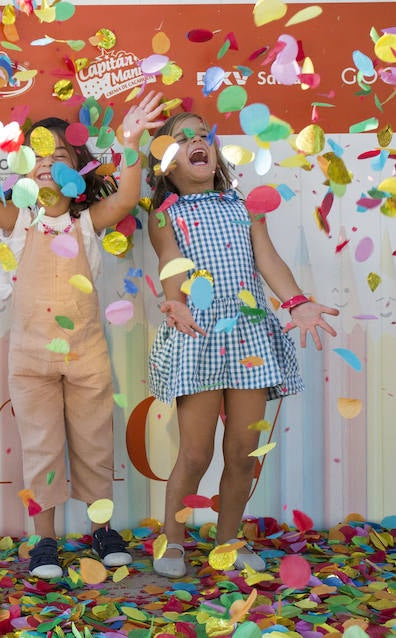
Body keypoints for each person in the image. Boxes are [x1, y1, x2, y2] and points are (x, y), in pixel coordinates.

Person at [0, 91, 166, 578]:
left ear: (81, 176)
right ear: (23, 171)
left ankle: (102, 529)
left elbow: (129, 196)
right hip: (30, 363)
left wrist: (132, 141)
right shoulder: (17, 223)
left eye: (61, 157)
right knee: (41, 447)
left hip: (87, 356)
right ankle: (44, 539)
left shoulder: (87, 224)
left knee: (95, 443)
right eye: (38, 155)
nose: (48, 164)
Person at [144, 112, 338, 578]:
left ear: (214, 152)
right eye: (182, 138)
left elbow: (266, 258)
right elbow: (170, 259)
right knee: (195, 454)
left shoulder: (243, 204)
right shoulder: (164, 212)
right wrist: (175, 302)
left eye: (202, 136)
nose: (196, 142)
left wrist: (296, 302)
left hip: (249, 332)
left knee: (242, 452)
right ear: (167, 163)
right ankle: (172, 541)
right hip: (199, 332)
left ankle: (227, 539)